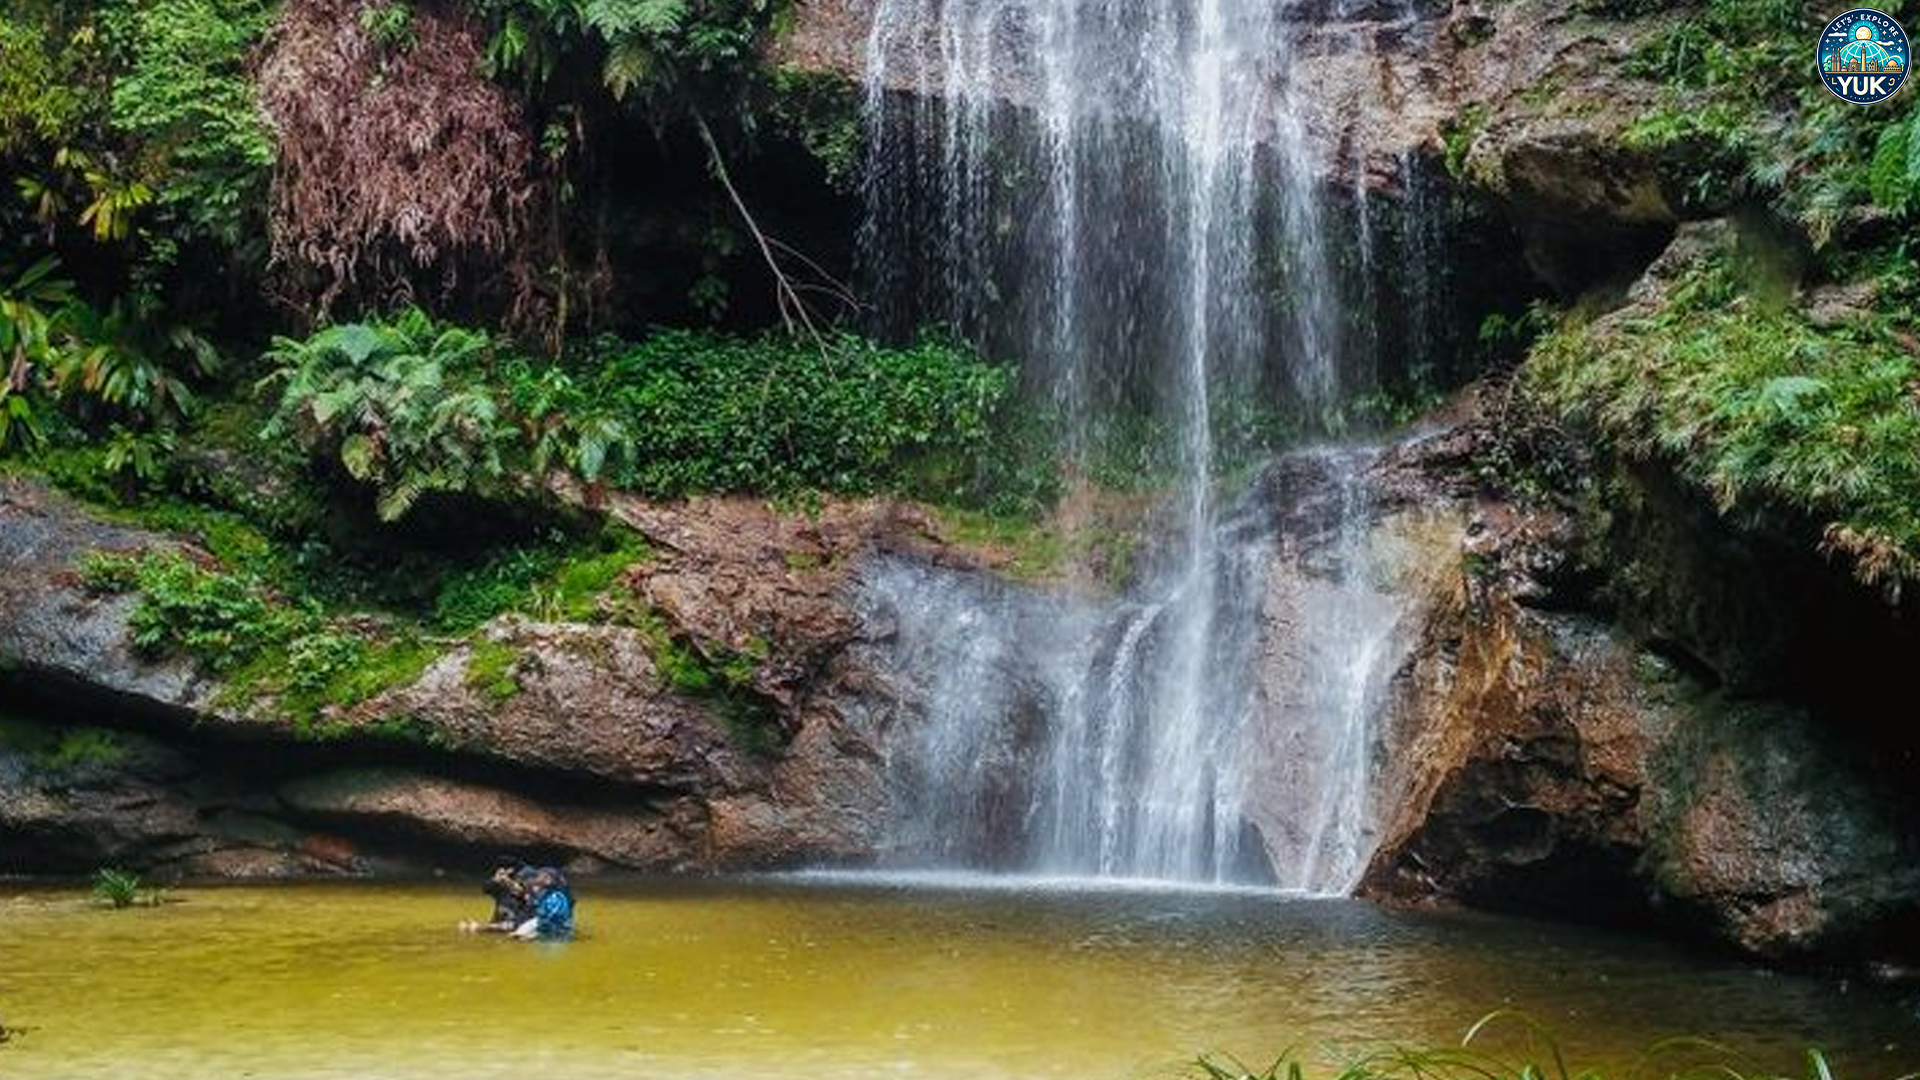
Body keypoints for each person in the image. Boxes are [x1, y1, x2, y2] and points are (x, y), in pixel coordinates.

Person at [461, 857, 537, 933]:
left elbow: (515, 925)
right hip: (497, 924)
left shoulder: (532, 897)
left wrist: (480, 927)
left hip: (511, 927)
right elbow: (486, 889)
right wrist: (496, 879)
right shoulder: (502, 889)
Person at [511, 868, 574, 941]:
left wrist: (535, 935)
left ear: (548, 879)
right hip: (545, 927)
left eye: (540, 876)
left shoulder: (556, 897)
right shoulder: (546, 895)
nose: (537, 878)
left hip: (556, 934)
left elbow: (555, 921)